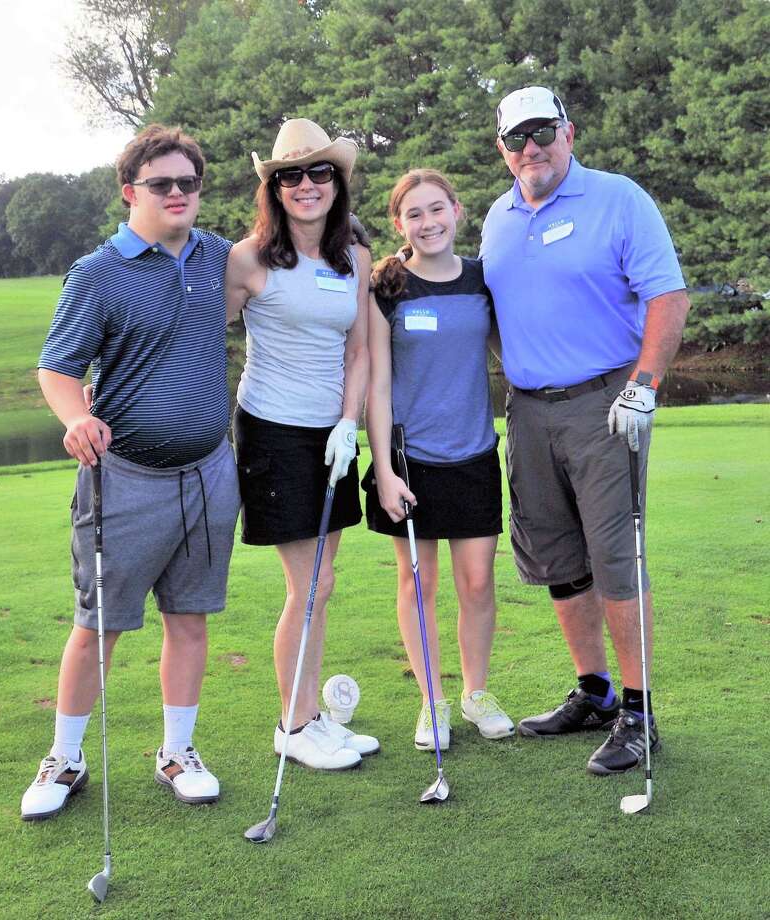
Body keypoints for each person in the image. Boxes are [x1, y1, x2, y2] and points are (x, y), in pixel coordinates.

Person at [21, 124, 241, 819]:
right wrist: (74, 417)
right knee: (98, 626)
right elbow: (58, 370)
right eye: (161, 184)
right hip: (125, 479)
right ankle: (66, 759)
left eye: (188, 183)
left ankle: (177, 751)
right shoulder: (97, 272)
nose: (177, 194)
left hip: (210, 473)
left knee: (190, 619)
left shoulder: (219, 257)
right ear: (129, 192)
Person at [480, 86, 690, 774]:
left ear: (569, 131)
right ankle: (595, 693)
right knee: (558, 559)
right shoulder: (498, 218)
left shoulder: (618, 197)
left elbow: (667, 294)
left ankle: (638, 710)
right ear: (502, 149)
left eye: (543, 132)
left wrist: (645, 385)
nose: (531, 148)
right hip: (528, 409)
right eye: (517, 139)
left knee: (614, 557)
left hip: (607, 404)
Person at [225, 118, 379, 769]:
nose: (306, 185)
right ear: (275, 187)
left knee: (325, 582)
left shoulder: (355, 258)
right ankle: (292, 725)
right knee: (307, 586)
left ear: (337, 181)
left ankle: (311, 715)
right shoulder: (248, 259)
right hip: (273, 431)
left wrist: (350, 421)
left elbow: (360, 350)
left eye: (319, 172)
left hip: (331, 435)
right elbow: (197, 333)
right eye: (292, 175)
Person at [364, 169, 514, 752]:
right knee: (418, 582)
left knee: (477, 583)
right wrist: (383, 469)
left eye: (437, 210)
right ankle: (433, 701)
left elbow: (511, 349)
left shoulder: (483, 278)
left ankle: (476, 693)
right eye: (414, 215)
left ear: (457, 210)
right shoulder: (388, 284)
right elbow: (376, 384)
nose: (428, 223)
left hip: (473, 452)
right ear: (399, 224)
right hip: (410, 458)